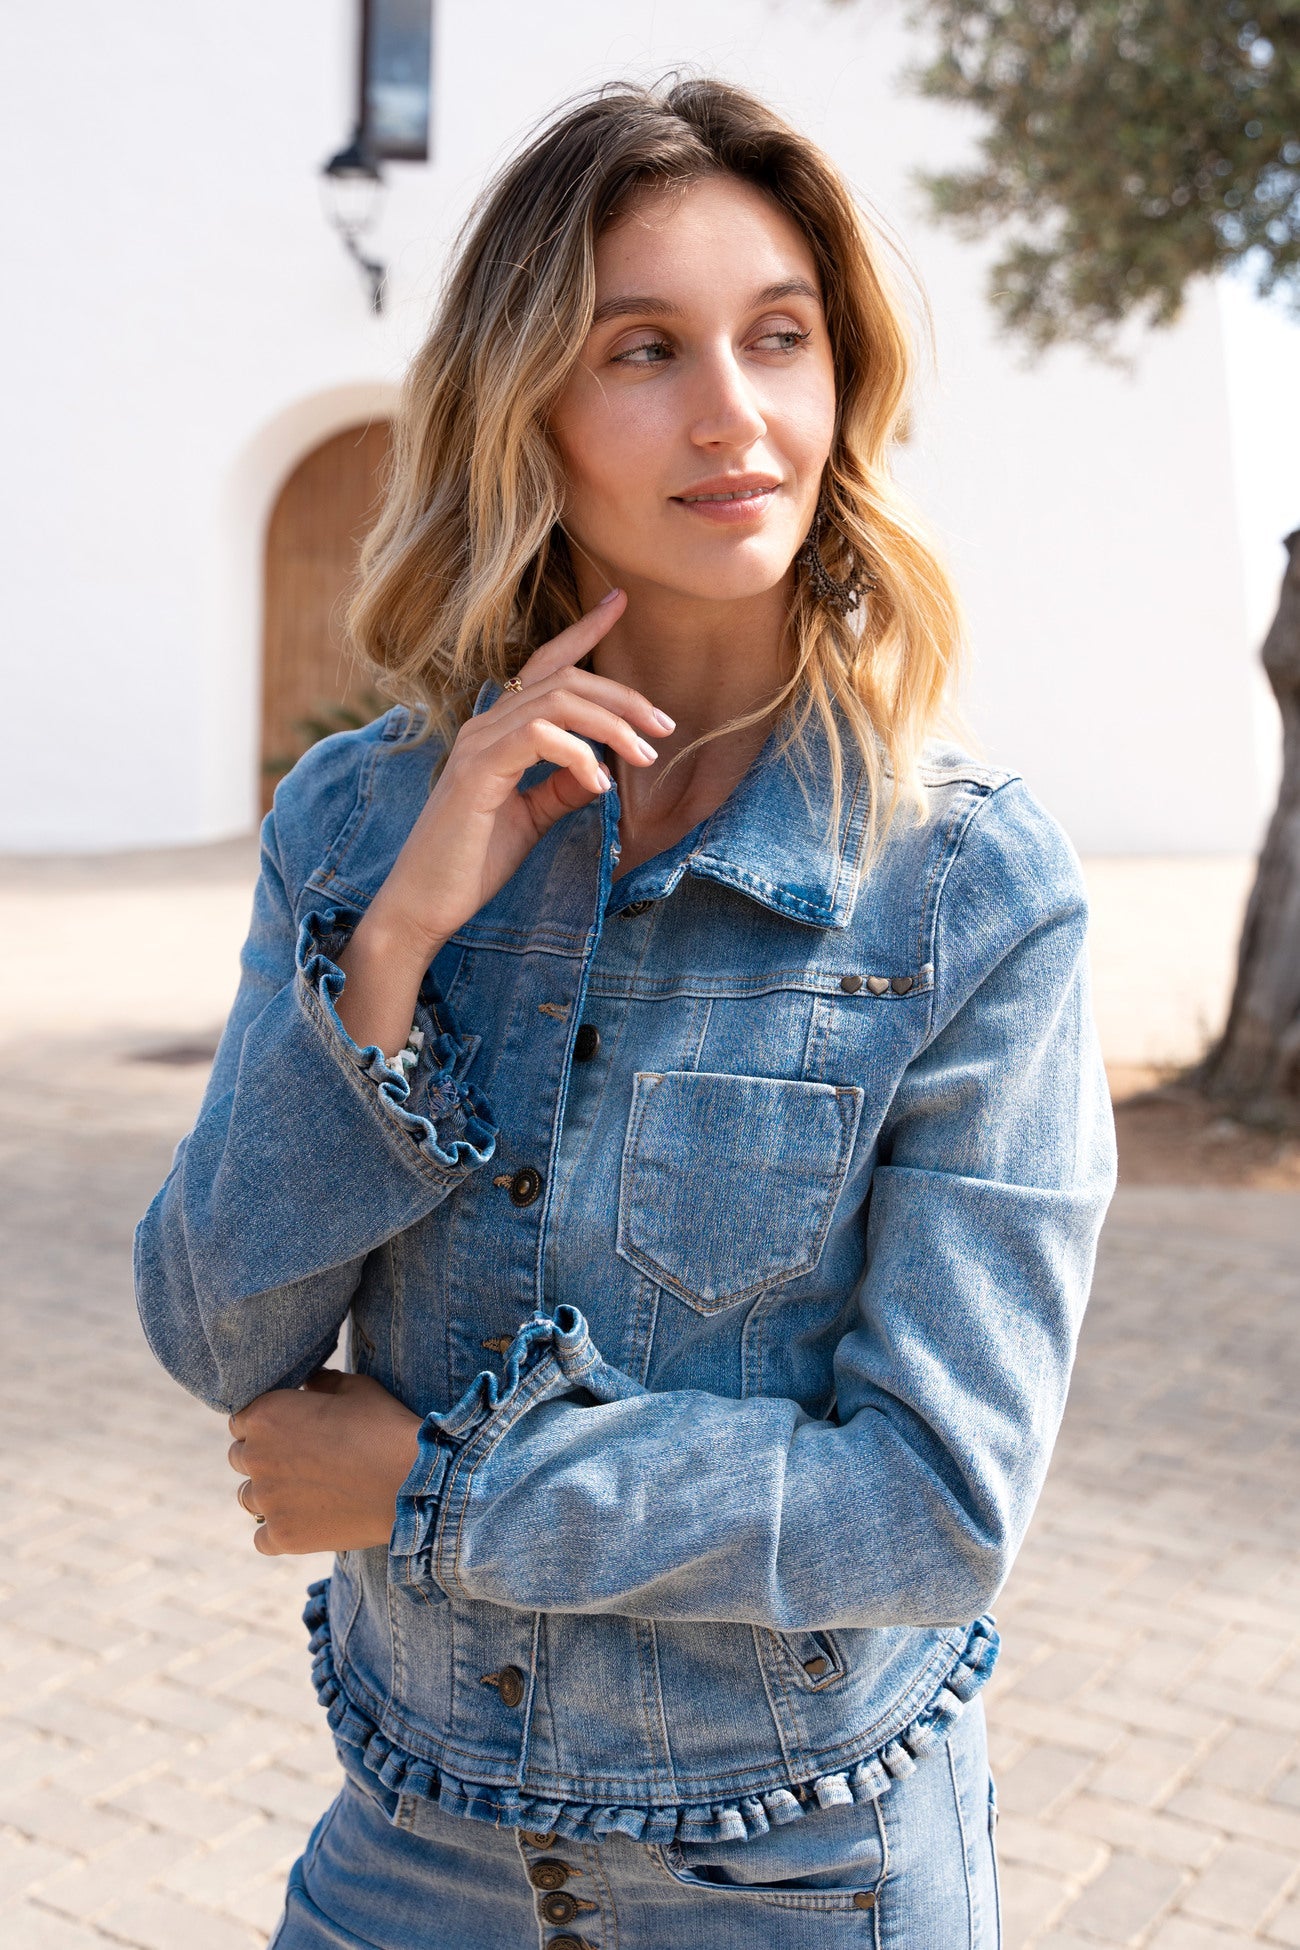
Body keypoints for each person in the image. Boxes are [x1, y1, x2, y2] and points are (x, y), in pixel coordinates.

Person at [135, 76, 1116, 1950]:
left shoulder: (967, 884)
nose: (734, 413)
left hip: (806, 1875)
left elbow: (931, 1508)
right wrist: (398, 947)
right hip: (407, 1854)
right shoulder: (359, 820)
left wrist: (439, 1486)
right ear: (530, 412)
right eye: (643, 350)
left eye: (780, 338)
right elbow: (217, 1331)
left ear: (844, 383)